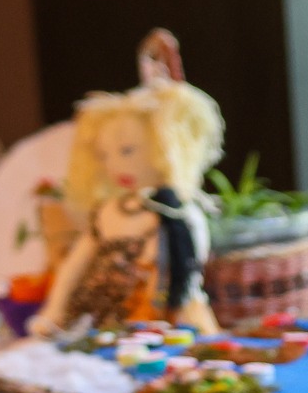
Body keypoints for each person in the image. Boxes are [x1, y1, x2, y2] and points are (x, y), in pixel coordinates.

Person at [29, 35, 223, 336]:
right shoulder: (108, 213)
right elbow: (75, 265)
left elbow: (187, 274)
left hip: (167, 319)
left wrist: (173, 309)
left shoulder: (177, 213)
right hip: (104, 317)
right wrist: (54, 310)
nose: (115, 166)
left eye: (128, 151)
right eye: (104, 155)